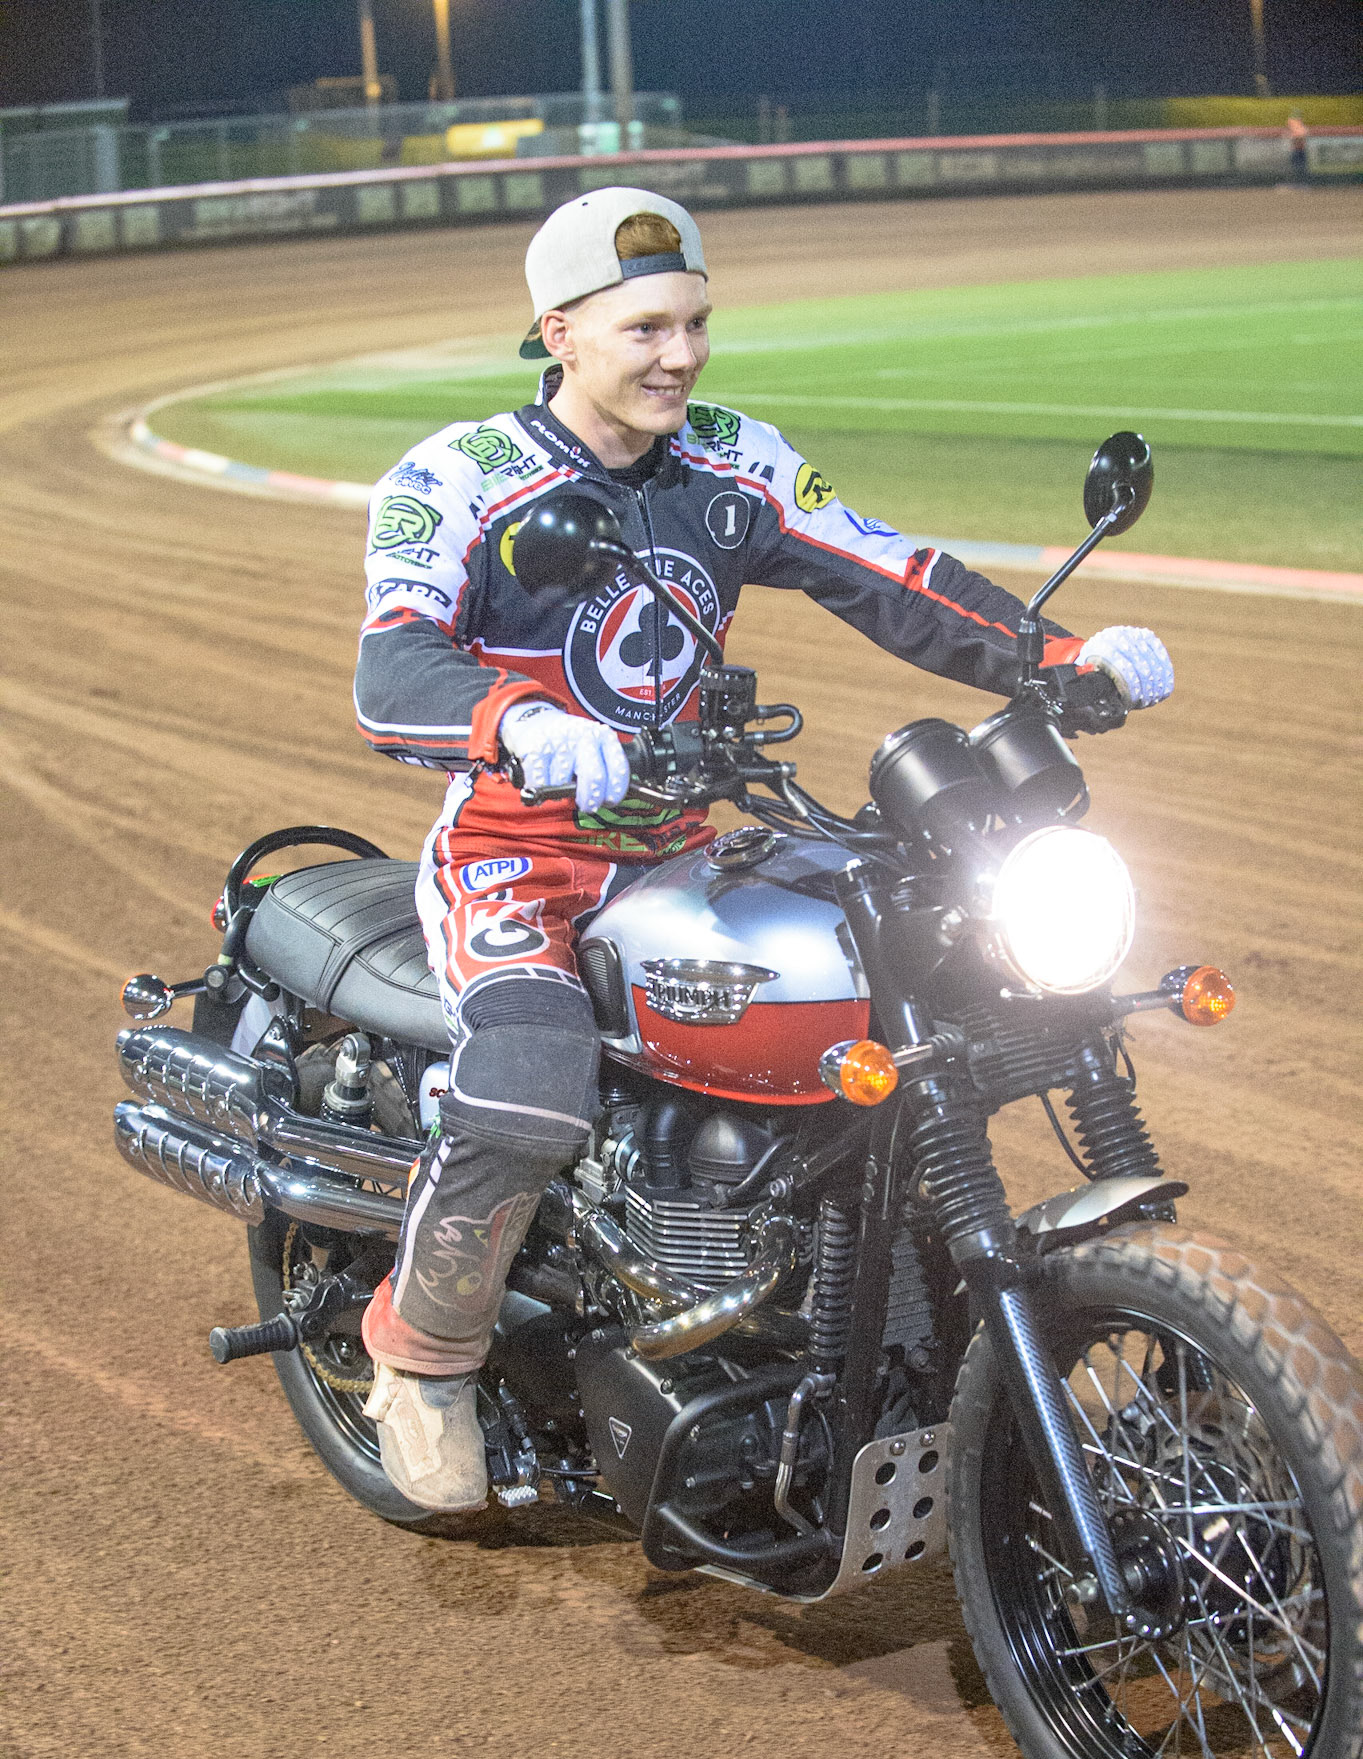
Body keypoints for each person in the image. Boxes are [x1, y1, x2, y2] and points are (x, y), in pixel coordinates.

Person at [352, 186, 1175, 1510]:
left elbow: (889, 571)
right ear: (559, 332)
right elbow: (391, 665)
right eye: (645, 329)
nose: (679, 353)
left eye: (694, 322)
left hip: (684, 841)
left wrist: (1059, 656)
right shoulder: (461, 479)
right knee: (529, 1083)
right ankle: (424, 1358)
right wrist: (513, 720)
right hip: (522, 852)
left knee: (915, 981)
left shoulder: (731, 462)